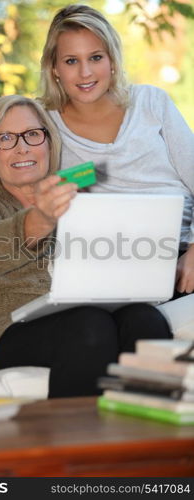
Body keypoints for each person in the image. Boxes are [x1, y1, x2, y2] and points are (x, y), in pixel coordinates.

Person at [0, 94, 172, 398]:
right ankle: (74, 443)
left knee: (145, 319)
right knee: (88, 325)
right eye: (5, 139)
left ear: (49, 144)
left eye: (32, 134)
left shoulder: (82, 207)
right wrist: (40, 219)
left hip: (81, 315)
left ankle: (143, 436)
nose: (22, 146)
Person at [40, 4, 194, 297]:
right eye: (71, 61)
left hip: (183, 250)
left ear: (112, 60)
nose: (85, 73)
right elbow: (51, 189)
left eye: (95, 57)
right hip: (116, 261)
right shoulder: (45, 126)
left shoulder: (151, 102)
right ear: (54, 68)